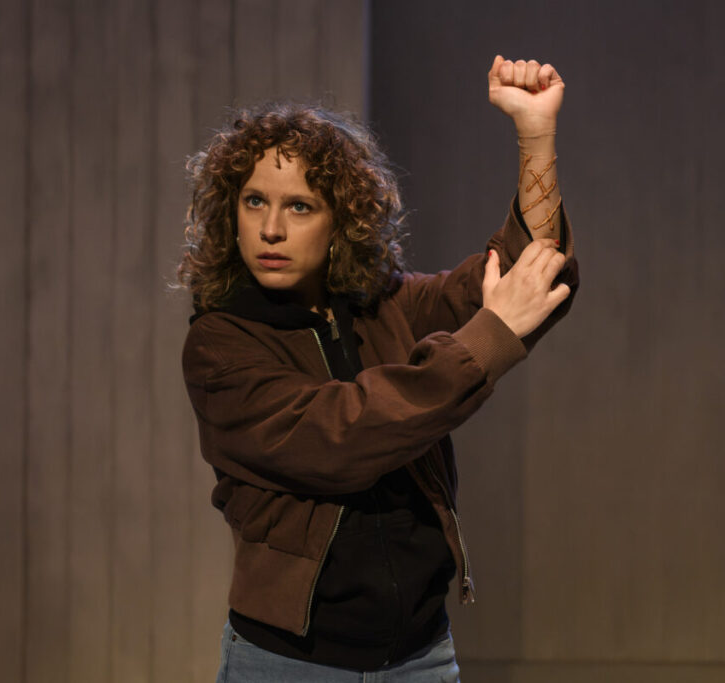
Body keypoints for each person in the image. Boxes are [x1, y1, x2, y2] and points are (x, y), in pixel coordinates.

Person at [178, 55, 579, 682]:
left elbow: (532, 272)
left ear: (341, 221)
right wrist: (491, 335)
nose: (271, 229)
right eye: (254, 201)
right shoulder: (220, 343)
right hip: (291, 666)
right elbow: (343, 435)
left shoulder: (384, 304)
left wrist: (536, 138)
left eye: (300, 207)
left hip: (420, 657)